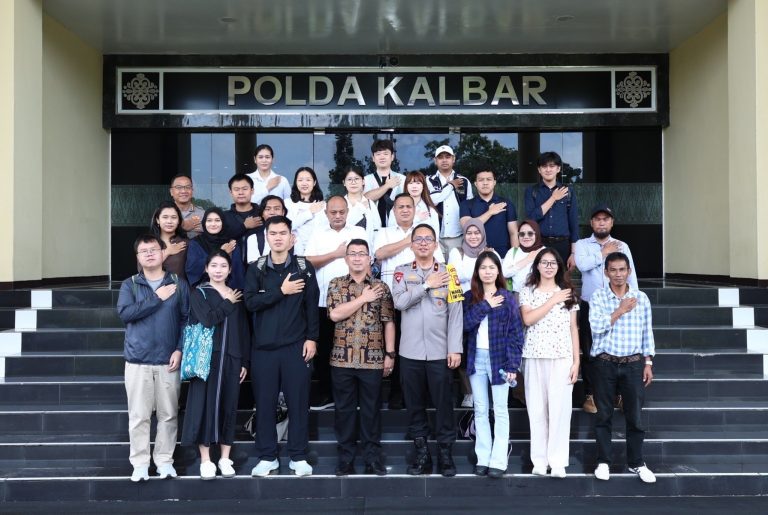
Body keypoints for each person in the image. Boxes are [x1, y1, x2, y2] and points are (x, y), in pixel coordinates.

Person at [245, 216, 319, 477]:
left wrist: (312, 338)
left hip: (296, 346)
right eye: (273, 233)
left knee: (298, 403)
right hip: (263, 348)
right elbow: (250, 303)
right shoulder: (256, 268)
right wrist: (281, 291)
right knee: (265, 404)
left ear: (292, 238)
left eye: (282, 233)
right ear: (267, 237)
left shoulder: (303, 267)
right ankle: (267, 457)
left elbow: (312, 306)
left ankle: (298, 456)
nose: (278, 238)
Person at [116, 234, 189, 482]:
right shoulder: (131, 285)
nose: (149, 254)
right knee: (139, 416)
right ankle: (140, 463)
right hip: (138, 360)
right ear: (138, 257)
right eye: (144, 251)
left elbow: (186, 319)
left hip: (169, 361)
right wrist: (157, 298)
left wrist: (180, 349)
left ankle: (164, 461)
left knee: (168, 415)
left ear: (162, 253)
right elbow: (126, 314)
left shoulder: (177, 283)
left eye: (154, 249)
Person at [392, 224, 463, 477]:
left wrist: (455, 348)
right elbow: (399, 302)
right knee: (414, 405)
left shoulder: (449, 273)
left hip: (440, 352)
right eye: (418, 239)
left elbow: (456, 313)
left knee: (444, 405)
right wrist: (426, 285)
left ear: (435, 244)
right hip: (410, 352)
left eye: (428, 239)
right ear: (412, 244)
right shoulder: (401, 272)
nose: (423, 243)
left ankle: (445, 453)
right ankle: (422, 454)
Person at [327, 239, 395, 476]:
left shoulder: (381, 287)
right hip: (341, 358)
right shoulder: (336, 284)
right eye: (353, 254)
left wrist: (390, 354)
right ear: (346, 258)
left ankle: (372, 458)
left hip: (373, 359)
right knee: (344, 411)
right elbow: (335, 314)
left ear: (369, 259)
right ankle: (345, 459)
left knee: (371, 410)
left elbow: (388, 322)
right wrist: (363, 298)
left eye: (362, 254)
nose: (357, 258)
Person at [181, 250, 250, 480]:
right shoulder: (199, 293)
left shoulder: (237, 295)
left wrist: (244, 360)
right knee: (205, 405)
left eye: (223, 266)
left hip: (232, 357)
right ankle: (206, 460)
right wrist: (228, 302)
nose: (218, 270)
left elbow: (243, 330)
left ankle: (225, 458)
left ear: (230, 270)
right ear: (206, 269)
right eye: (214, 266)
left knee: (229, 405)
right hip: (207, 359)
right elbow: (209, 319)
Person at [590, 252, 656, 484]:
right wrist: (620, 310)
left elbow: (647, 332)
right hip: (605, 363)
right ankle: (603, 461)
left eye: (622, 270)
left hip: (633, 364)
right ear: (606, 272)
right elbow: (596, 327)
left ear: (629, 271)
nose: (618, 274)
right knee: (603, 415)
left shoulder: (641, 298)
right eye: (613, 270)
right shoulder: (598, 296)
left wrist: (648, 362)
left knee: (635, 416)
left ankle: (636, 462)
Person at [519, 248, 580, 479]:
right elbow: (528, 319)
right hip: (534, 356)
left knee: (560, 411)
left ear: (559, 266)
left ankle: (557, 461)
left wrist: (576, 361)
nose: (548, 266)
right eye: (544, 262)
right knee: (537, 410)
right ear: (537, 266)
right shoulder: (527, 291)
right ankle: (539, 460)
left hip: (562, 357)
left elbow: (573, 328)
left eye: (553, 263)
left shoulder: (568, 293)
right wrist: (552, 300)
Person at [463, 251, 524, 478]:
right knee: (480, 408)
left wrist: (513, 365)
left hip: (500, 359)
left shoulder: (507, 298)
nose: (487, 271)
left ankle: (498, 460)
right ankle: (483, 457)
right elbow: (465, 324)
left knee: (500, 409)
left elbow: (516, 334)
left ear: (498, 271)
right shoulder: (470, 297)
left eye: (491, 267)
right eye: (483, 268)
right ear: (477, 272)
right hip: (476, 358)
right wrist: (486, 305)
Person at [304, 196, 367, 410]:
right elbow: (308, 262)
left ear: (348, 211)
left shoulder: (358, 232)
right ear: (326, 213)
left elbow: (368, 261)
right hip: (323, 302)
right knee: (325, 350)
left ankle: (354, 397)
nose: (338, 216)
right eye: (333, 212)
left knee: (354, 349)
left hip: (355, 303)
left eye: (342, 211)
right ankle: (327, 394)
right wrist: (336, 254)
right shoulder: (318, 233)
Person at [574, 204, 638, 414]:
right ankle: (591, 395)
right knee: (590, 350)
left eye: (606, 219)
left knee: (617, 349)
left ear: (612, 223)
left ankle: (618, 394)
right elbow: (582, 265)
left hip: (617, 304)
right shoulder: (582, 245)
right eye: (598, 219)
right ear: (591, 223)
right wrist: (604, 253)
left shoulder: (622, 245)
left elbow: (631, 275)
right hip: (590, 305)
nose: (601, 223)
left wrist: (634, 301)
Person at [524, 152, 579, 269]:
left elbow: (573, 223)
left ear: (558, 169)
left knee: (562, 279)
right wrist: (553, 198)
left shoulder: (568, 191)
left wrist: (574, 253)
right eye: (544, 166)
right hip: (539, 244)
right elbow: (531, 218)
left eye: (552, 166)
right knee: (538, 277)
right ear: (539, 170)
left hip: (563, 245)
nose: (548, 169)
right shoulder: (531, 191)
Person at [459, 166, 518, 257]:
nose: (485, 183)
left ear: (494, 182)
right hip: (475, 256)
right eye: (481, 180)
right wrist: (490, 212)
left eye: (489, 179)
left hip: (503, 256)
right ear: (475, 183)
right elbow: (467, 226)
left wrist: (514, 257)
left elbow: (513, 233)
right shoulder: (466, 204)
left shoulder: (505, 203)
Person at [428, 145, 473, 256]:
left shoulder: (464, 181)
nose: (444, 160)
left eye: (447, 157)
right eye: (440, 157)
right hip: (435, 236)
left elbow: (470, 208)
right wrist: (451, 185)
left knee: (455, 266)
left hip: (458, 235)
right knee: (437, 267)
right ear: (435, 161)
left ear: (453, 159)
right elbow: (431, 201)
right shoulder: (428, 181)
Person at [185, 208, 245, 289]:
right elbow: (192, 269)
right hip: (203, 291)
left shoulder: (230, 244)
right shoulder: (196, 243)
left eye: (217, 220)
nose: (213, 224)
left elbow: (238, 274)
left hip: (228, 291)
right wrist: (221, 252)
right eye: (209, 220)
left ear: (223, 222)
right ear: (204, 223)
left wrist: (230, 293)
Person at [285, 166, 327, 256]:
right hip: (295, 251)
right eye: (300, 180)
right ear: (296, 183)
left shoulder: (323, 205)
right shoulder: (288, 203)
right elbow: (287, 226)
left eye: (308, 180)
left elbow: (325, 229)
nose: (304, 183)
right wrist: (309, 212)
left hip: (318, 252)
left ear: (314, 182)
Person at [364, 139, 405, 227]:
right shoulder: (366, 180)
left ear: (392, 157)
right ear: (373, 158)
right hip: (373, 227)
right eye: (378, 154)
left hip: (397, 228)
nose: (382, 157)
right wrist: (387, 186)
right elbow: (365, 199)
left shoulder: (402, 179)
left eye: (386, 154)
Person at [388, 171, 440, 238]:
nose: (414, 186)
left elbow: (435, 236)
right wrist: (416, 218)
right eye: (411, 183)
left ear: (423, 186)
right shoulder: (396, 208)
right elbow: (391, 230)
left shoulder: (430, 210)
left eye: (418, 183)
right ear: (406, 186)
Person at [222, 173, 263, 256]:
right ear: (231, 192)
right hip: (233, 262)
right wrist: (244, 226)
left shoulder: (262, 214)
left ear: (252, 190)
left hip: (259, 262)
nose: (241, 192)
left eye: (245, 189)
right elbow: (220, 238)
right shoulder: (224, 216)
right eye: (236, 189)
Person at [502, 219, 545, 295]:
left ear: (537, 234)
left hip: (540, 295)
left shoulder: (544, 252)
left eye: (530, 233)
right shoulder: (513, 252)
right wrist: (527, 259)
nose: (526, 237)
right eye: (522, 234)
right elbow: (504, 273)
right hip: (516, 296)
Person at [448, 218, 490, 293]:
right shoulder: (456, 252)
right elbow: (457, 276)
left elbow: (495, 276)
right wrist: (480, 261)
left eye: (477, 233)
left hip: (488, 298)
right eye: (469, 233)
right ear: (464, 234)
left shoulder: (491, 253)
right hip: (463, 298)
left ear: (483, 234)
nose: (473, 237)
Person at [343, 165, 381, 246]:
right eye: (349, 179)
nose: (353, 182)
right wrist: (359, 208)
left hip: (367, 250)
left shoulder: (370, 204)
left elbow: (377, 230)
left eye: (357, 179)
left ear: (363, 181)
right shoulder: (340, 204)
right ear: (344, 183)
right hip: (344, 249)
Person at [149, 201, 188, 279]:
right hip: (152, 286)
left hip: (179, 286)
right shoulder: (148, 243)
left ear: (178, 221)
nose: (169, 221)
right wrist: (167, 252)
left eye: (173, 217)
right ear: (157, 220)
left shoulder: (186, 243)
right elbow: (142, 270)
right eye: (165, 217)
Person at [246, 194, 286, 263]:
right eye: (268, 209)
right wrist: (286, 250)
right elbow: (255, 267)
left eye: (277, 209)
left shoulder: (293, 237)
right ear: (262, 214)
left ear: (283, 212)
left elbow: (300, 265)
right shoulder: (254, 238)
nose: (272, 212)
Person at [169, 174, 205, 239]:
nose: (183, 191)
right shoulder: (164, 213)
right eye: (179, 187)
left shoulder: (202, 214)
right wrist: (182, 226)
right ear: (171, 192)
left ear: (192, 191)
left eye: (188, 187)